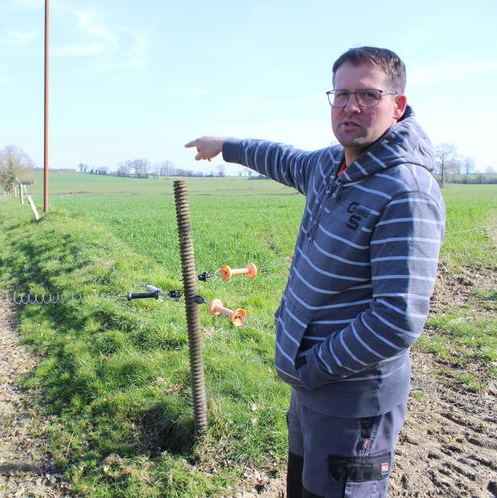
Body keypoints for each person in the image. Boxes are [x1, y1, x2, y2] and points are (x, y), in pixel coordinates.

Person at [186, 47, 445, 498]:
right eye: (342, 94)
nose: (351, 106)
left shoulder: (406, 192)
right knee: (304, 487)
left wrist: (315, 366)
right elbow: (280, 157)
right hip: (311, 385)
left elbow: (396, 319)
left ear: (397, 105)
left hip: (352, 396)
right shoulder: (331, 166)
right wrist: (225, 146)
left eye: (368, 94)